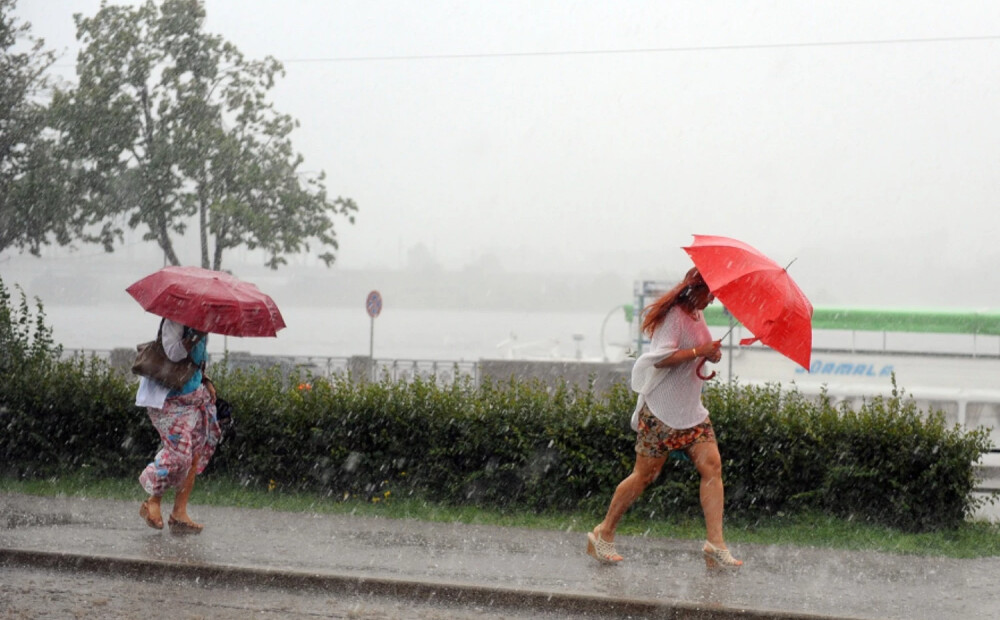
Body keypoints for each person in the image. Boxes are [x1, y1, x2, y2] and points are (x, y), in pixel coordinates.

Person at [587, 267, 742, 569]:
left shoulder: (697, 313)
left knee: (712, 467)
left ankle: (715, 543)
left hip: (691, 413)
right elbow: (660, 359)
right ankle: (603, 533)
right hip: (661, 411)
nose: (712, 300)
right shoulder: (674, 316)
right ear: (696, 288)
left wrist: (708, 354)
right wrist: (698, 350)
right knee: (644, 476)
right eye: (710, 293)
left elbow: (693, 351)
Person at [136, 318, 220, 535]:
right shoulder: (175, 321)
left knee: (193, 454)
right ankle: (152, 499)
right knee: (179, 456)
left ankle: (179, 512)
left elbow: (194, 361)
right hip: (168, 400)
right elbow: (173, 354)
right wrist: (195, 337)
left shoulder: (200, 324)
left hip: (193, 397)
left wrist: (206, 380)